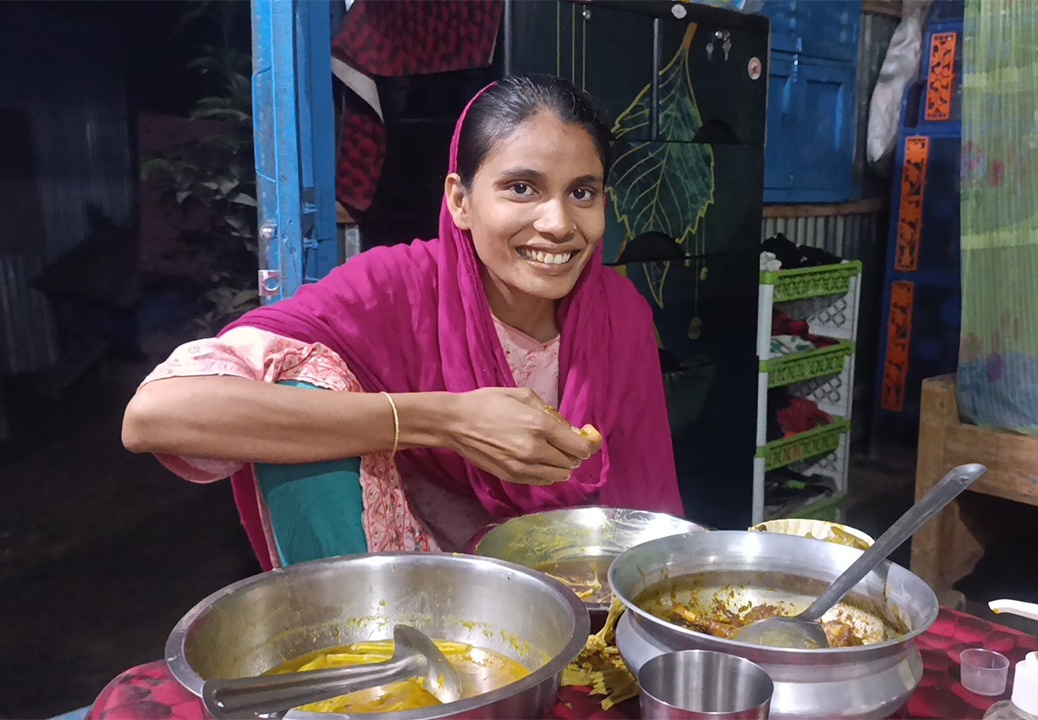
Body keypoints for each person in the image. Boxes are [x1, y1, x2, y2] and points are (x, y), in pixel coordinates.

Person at [122, 74, 684, 569]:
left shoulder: (619, 315)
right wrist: (445, 420)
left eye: (582, 193)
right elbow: (155, 416)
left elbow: (643, 504)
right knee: (302, 387)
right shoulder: (393, 289)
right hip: (416, 595)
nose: (559, 223)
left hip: (578, 593)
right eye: (521, 188)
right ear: (460, 201)